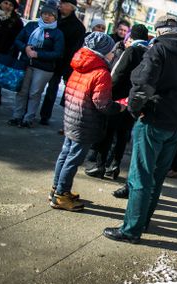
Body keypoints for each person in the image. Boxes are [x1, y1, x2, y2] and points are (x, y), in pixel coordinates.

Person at [103, 15, 177, 244]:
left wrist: (134, 109)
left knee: (140, 176)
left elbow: (142, 84)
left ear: (160, 31)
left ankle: (131, 229)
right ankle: (143, 221)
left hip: (153, 120)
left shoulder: (158, 49)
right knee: (157, 177)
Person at [50, 32, 123, 211]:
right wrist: (121, 106)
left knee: (65, 154)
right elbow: (102, 104)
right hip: (85, 121)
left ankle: (57, 189)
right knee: (73, 159)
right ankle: (61, 195)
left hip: (72, 116)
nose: (113, 54)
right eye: (112, 51)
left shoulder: (80, 63)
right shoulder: (101, 72)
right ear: (103, 51)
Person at [85, 24, 150, 179]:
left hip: (119, 98)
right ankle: (114, 166)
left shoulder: (131, 50)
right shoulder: (149, 53)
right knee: (123, 134)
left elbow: (118, 73)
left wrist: (108, 90)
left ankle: (100, 166)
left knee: (108, 131)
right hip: (134, 100)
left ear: (132, 37)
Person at [7, 1, 64, 128]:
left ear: (55, 17)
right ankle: (17, 116)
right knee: (22, 91)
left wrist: (38, 54)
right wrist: (25, 48)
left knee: (34, 93)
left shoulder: (57, 33)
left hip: (44, 68)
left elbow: (58, 53)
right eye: (45, 13)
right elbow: (18, 40)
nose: (47, 16)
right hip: (26, 63)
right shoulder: (31, 26)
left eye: (51, 15)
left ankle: (28, 118)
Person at [39, 0, 86, 126]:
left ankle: (45, 115)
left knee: (52, 89)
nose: (60, 5)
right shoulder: (53, 17)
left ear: (72, 7)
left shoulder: (78, 27)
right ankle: (28, 111)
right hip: (41, 58)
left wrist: (67, 69)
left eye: (64, 3)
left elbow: (73, 50)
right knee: (35, 87)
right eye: (61, 2)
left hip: (59, 63)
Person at [0, 0, 23, 106]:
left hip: (4, 54)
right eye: (6, 3)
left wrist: (13, 56)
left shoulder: (17, 21)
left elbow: (18, 40)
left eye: (11, 5)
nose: (7, 6)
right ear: (1, 3)